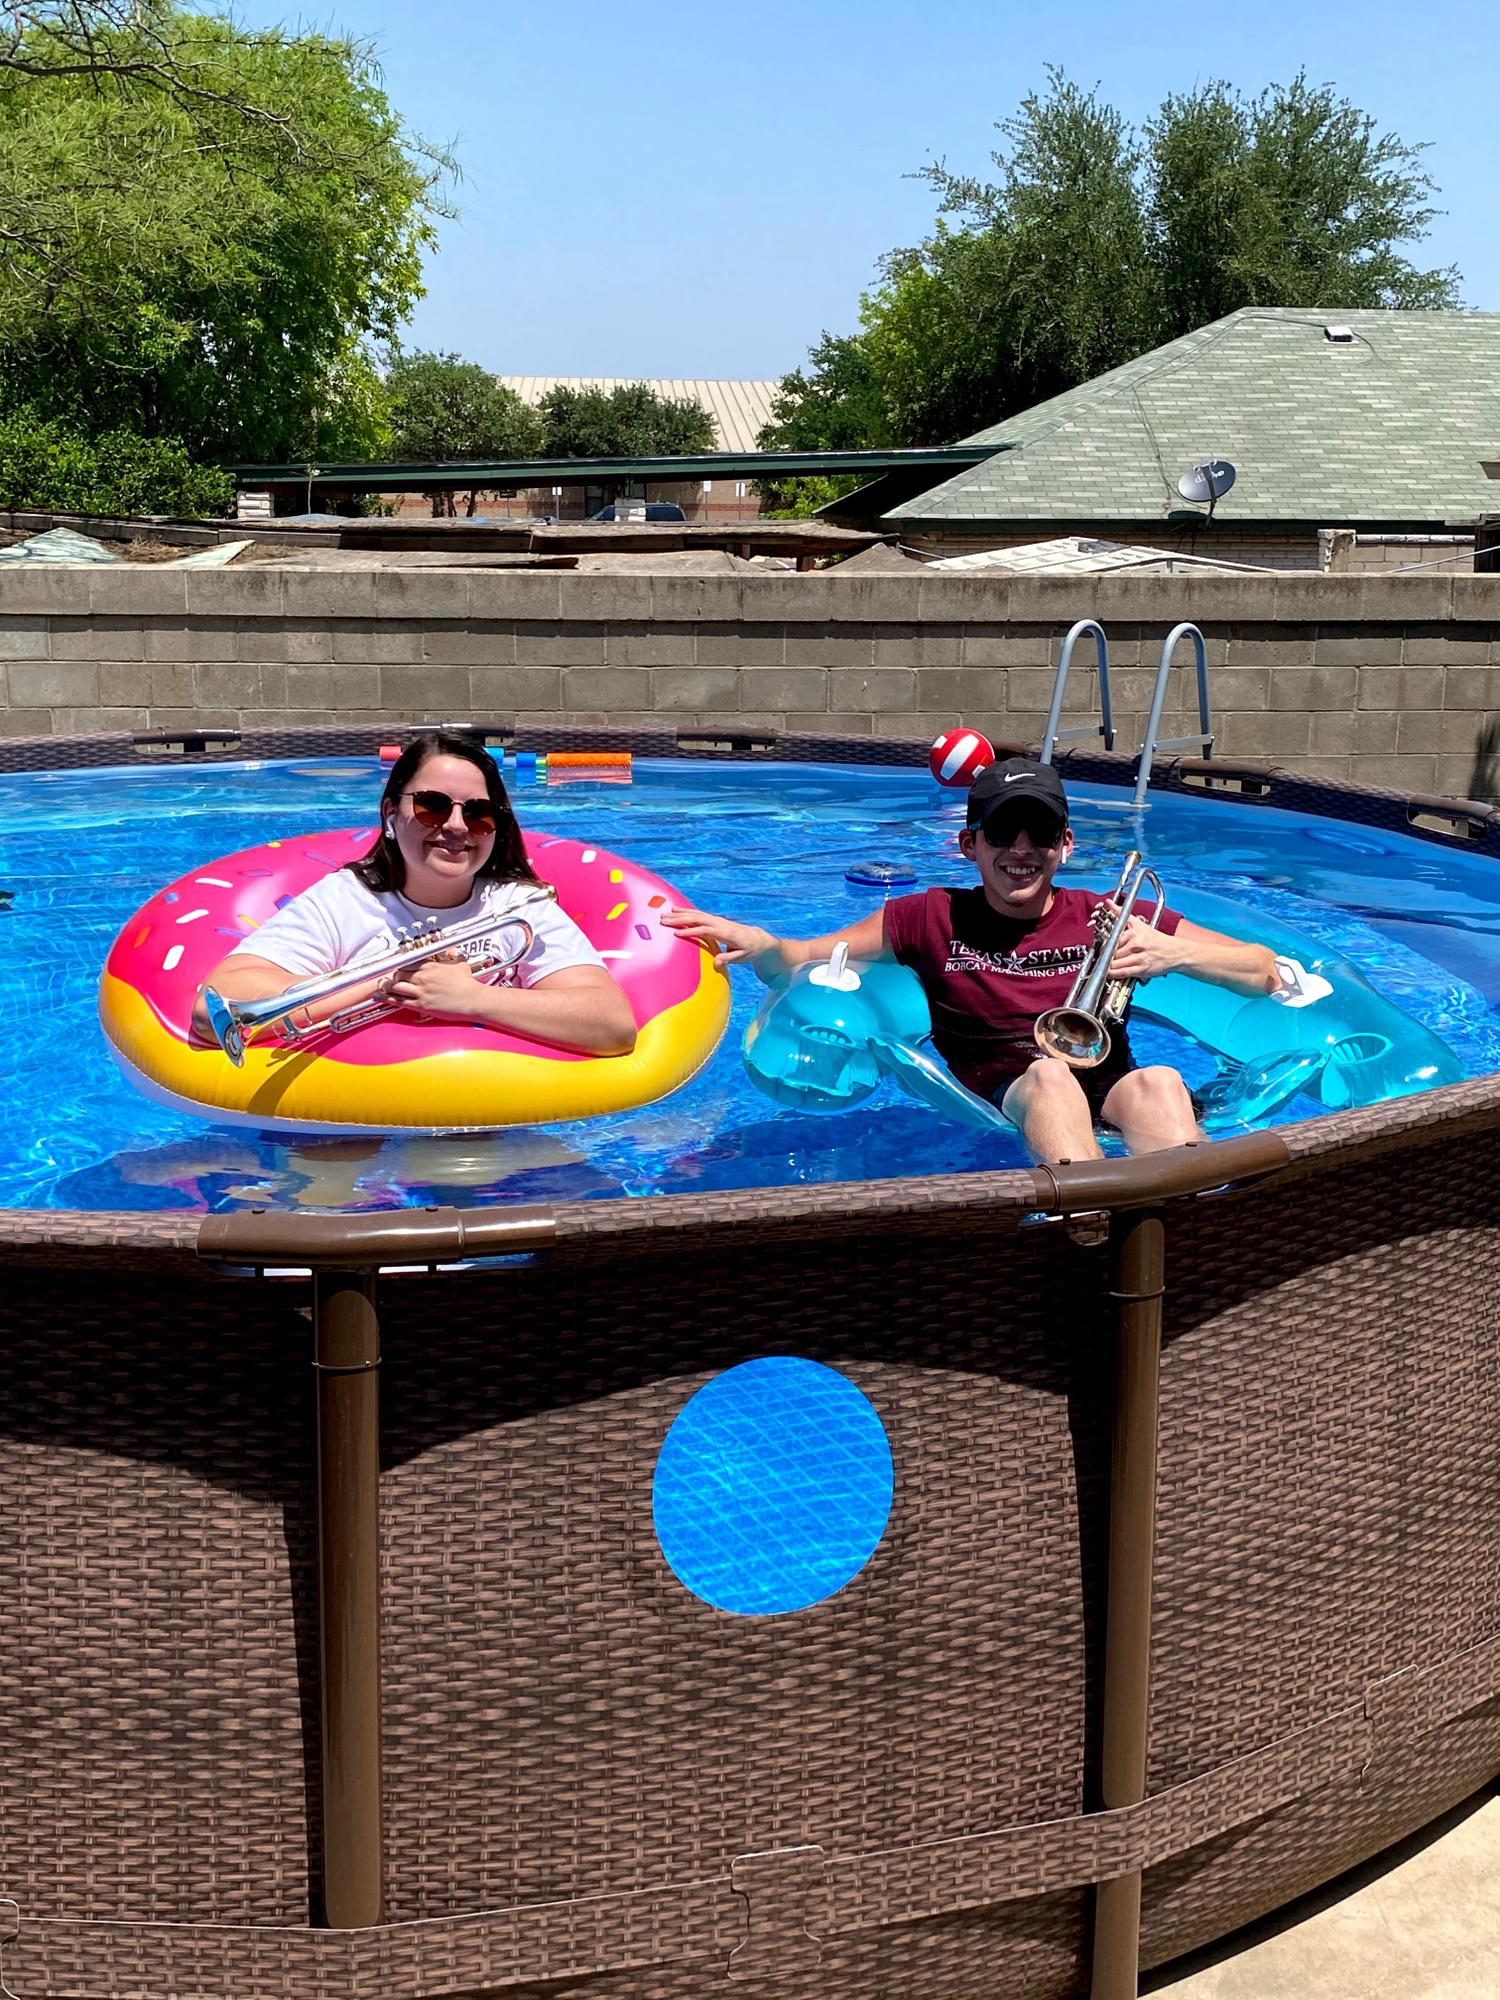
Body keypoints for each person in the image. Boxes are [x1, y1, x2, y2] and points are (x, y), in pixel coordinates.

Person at [663, 756, 1281, 1163]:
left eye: (1041, 833)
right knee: (1050, 1079)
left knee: (1162, 1081)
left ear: (1065, 845)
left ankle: (1193, 1234)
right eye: (1002, 832)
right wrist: (761, 943)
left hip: (1108, 1085)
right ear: (969, 845)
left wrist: (1175, 952)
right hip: (1009, 1091)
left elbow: (1265, 973)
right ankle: (1090, 1229)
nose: (1022, 850)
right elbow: (802, 958)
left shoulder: (1111, 912)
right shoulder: (927, 917)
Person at [192, 732, 637, 1058]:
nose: (457, 826)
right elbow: (214, 1011)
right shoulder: (345, 900)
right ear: (391, 812)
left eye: (479, 813)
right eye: (432, 806)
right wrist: (387, 982)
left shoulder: (520, 907)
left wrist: (474, 999)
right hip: (348, 1118)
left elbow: (613, 1025)